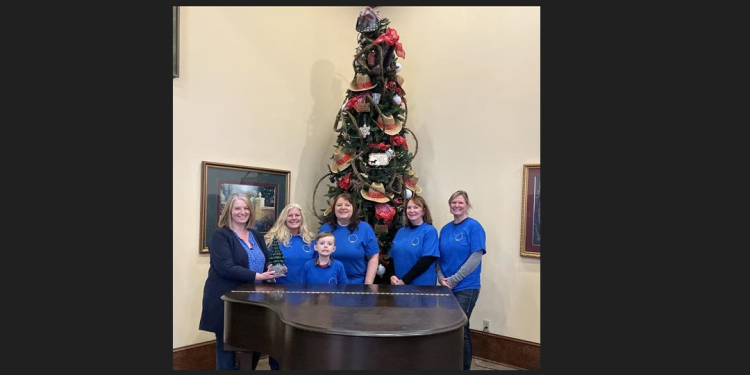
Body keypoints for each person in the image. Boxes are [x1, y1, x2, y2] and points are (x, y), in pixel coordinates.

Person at [198, 193, 283, 371]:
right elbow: (225, 267)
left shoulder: (256, 235)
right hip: (227, 300)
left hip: (254, 301)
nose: (242, 212)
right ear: (229, 210)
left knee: (257, 344)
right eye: (237, 208)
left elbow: (266, 260)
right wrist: (259, 277)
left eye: (246, 208)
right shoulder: (220, 235)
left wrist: (274, 269)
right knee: (226, 346)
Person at [437, 190, 486, 371]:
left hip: (466, 287)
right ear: (449, 206)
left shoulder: (474, 227)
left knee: (461, 328)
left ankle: (464, 367)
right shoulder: (445, 229)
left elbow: (476, 256)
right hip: (446, 286)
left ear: (467, 206)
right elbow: (438, 258)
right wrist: (442, 279)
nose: (456, 206)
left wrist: (454, 280)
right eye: (453, 203)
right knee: (449, 327)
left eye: (461, 203)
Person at [318, 193, 380, 284]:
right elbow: (316, 256)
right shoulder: (325, 229)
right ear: (334, 209)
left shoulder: (364, 228)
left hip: (356, 284)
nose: (343, 208)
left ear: (353, 209)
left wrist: (368, 284)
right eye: (339, 205)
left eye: (347, 205)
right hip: (329, 284)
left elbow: (373, 257)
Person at [389, 194, 439, 286]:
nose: (412, 210)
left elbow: (426, 261)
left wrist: (404, 280)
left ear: (423, 211)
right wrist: (392, 275)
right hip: (399, 285)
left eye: (416, 207)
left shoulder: (429, 231)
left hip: (422, 287)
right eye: (409, 208)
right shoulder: (400, 232)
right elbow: (392, 257)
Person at [264, 203, 316, 284]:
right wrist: (269, 266)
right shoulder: (273, 240)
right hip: (279, 290)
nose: (294, 218)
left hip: (306, 289)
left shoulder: (311, 240)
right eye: (290, 215)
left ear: (302, 218)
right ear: (284, 218)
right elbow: (265, 263)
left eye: (297, 215)